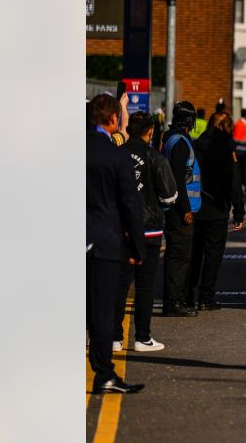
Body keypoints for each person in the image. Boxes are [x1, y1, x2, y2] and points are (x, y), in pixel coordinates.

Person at [87, 94, 147, 394]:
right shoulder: (115, 155)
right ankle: (104, 373)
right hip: (104, 244)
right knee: (101, 311)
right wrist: (137, 248)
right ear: (113, 120)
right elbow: (130, 205)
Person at [114, 112, 178, 353]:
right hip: (149, 230)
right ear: (150, 131)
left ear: (128, 129)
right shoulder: (155, 157)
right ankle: (142, 337)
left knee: (119, 284)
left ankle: (114, 337)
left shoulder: (116, 154)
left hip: (120, 229)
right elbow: (170, 196)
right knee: (145, 285)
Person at [187, 111, 246, 311]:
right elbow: (234, 182)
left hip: (195, 208)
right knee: (213, 255)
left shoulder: (195, 145)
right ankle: (206, 297)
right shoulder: (227, 149)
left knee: (194, 253)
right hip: (218, 209)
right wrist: (239, 211)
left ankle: (187, 294)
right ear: (227, 127)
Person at [161, 101, 203, 317]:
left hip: (175, 208)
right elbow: (178, 178)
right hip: (180, 211)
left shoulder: (170, 138)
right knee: (179, 257)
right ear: (189, 121)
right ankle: (173, 303)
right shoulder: (180, 143)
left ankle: (174, 300)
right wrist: (185, 208)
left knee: (176, 255)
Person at [233, 108, 246, 192]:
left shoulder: (244, 123)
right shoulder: (240, 124)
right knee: (240, 170)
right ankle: (240, 187)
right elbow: (236, 138)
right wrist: (245, 142)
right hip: (240, 152)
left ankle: (243, 186)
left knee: (243, 170)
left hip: (244, 151)